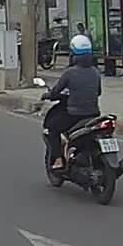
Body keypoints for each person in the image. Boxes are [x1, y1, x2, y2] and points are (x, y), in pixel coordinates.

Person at [42, 34, 102, 170]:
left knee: (52, 127)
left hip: (74, 115)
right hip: (93, 114)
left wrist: (48, 95)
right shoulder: (95, 72)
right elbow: (98, 92)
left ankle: (58, 159)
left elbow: (56, 92)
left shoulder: (69, 73)